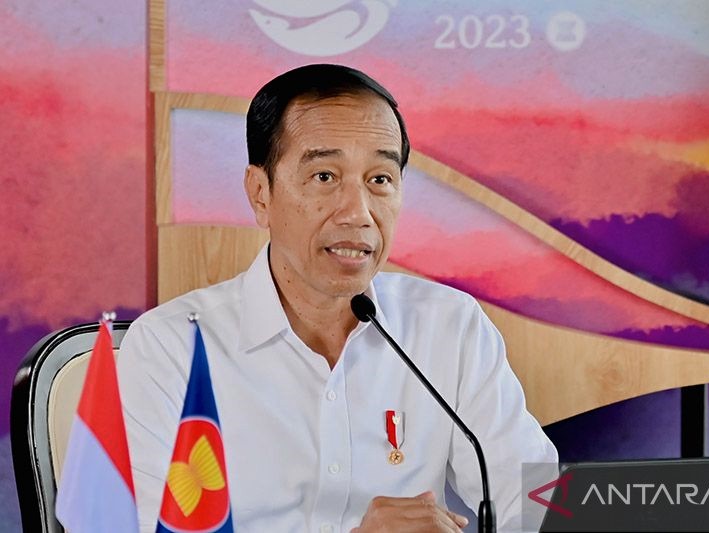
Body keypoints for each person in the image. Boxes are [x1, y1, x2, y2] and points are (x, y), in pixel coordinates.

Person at [118, 64, 557, 532]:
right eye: (325, 176)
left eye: (380, 179)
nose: (358, 213)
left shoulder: (448, 325)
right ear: (261, 194)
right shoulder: (172, 348)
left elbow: (540, 500)